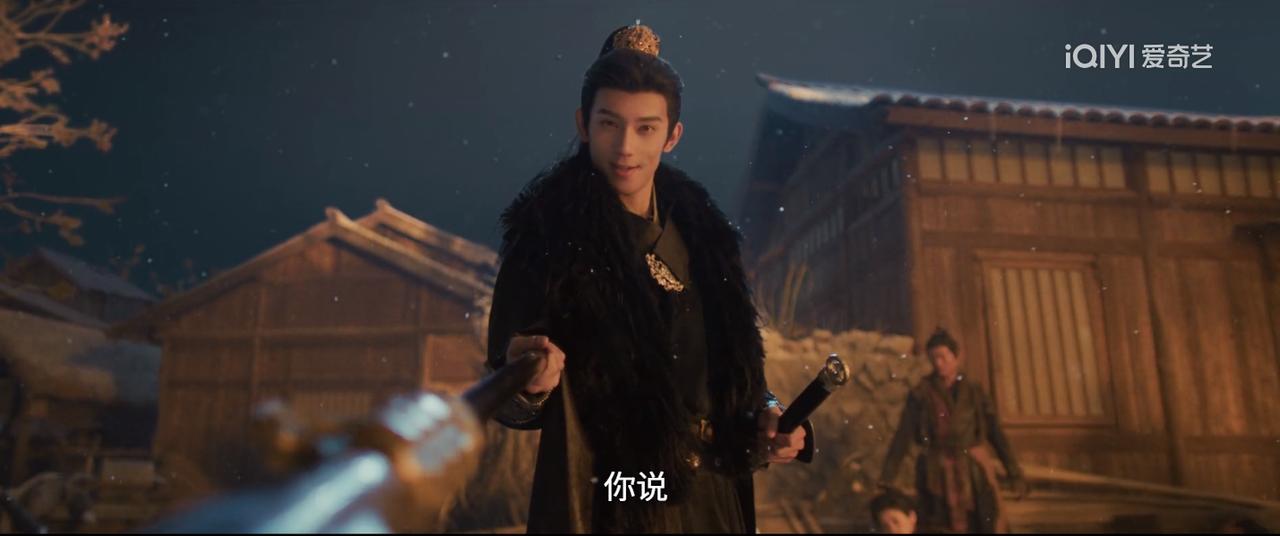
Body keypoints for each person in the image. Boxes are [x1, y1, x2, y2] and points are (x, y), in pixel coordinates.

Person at [484, 23, 814, 533]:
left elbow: (732, 371)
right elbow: (507, 397)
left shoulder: (702, 232)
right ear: (583, 124)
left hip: (717, 492)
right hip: (620, 489)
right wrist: (531, 383)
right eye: (609, 124)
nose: (625, 148)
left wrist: (769, 415)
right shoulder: (546, 236)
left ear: (672, 135)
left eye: (645, 128)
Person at [879, 328, 1029, 533]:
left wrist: (1014, 473)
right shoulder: (921, 392)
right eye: (933, 358)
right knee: (939, 524)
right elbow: (902, 436)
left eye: (943, 357)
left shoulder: (974, 391)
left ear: (956, 357)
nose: (938, 363)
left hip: (973, 470)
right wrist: (887, 476)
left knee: (983, 521)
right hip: (936, 471)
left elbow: (995, 433)